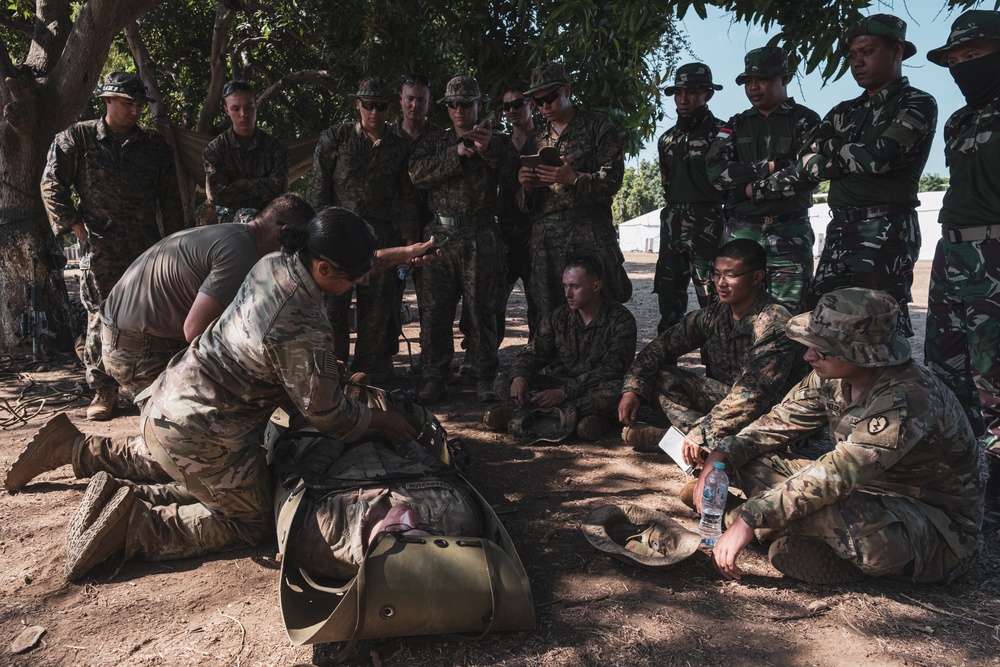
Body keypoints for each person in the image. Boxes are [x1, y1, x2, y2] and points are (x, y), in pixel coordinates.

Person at [7, 208, 419, 582]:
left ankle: (75, 448)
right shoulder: (301, 322)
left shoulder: (274, 264)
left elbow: (273, 352)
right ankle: (137, 527)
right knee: (250, 519)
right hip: (205, 433)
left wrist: (311, 369)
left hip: (169, 402)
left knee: (164, 457)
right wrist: (384, 421)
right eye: (355, 275)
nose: (361, 281)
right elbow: (330, 415)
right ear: (325, 268)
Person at [704, 288, 985, 585]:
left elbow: (841, 470)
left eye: (823, 347)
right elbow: (776, 424)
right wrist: (721, 455)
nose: (808, 354)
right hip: (859, 492)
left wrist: (751, 516)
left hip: (930, 525)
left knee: (870, 537)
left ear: (862, 353)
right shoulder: (832, 374)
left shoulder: (908, 397)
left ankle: (784, 534)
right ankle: (794, 532)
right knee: (750, 461)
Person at [767, 14, 937, 336]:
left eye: (867, 51)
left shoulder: (917, 103)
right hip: (841, 228)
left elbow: (879, 159)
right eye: (851, 55)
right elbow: (805, 161)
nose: (857, 62)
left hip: (886, 231)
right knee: (824, 325)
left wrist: (832, 147)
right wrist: (850, 152)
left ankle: (888, 389)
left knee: (877, 328)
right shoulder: (843, 111)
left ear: (897, 50)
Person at [40, 71, 184, 422]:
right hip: (101, 247)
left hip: (146, 248)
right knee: (101, 316)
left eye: (139, 104)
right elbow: (51, 185)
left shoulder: (154, 146)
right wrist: (76, 226)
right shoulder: (80, 138)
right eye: (128, 103)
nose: (135, 110)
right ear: (107, 101)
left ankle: (148, 387)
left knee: (151, 316)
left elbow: (171, 200)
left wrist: (176, 242)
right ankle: (104, 389)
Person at [100, 193, 313, 401]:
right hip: (138, 354)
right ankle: (86, 439)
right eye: (298, 244)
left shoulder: (235, 234)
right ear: (285, 232)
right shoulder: (241, 254)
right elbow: (195, 331)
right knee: (210, 420)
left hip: (126, 338)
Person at [923, 9, 1000, 530]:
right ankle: (960, 476)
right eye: (955, 59)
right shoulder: (959, 120)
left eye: (974, 56)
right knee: (945, 367)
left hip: (996, 251)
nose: (962, 66)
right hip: (952, 250)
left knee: (993, 371)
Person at [618, 240, 798, 463]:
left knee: (753, 440)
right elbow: (660, 347)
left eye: (730, 275)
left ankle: (687, 443)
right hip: (725, 406)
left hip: (769, 413)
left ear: (757, 277)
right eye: (716, 274)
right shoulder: (714, 315)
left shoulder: (774, 322)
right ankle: (695, 444)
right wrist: (631, 389)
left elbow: (754, 395)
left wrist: (705, 431)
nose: (720, 283)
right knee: (659, 376)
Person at [409, 75, 512, 404]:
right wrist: (457, 154)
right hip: (440, 236)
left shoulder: (495, 140)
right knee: (434, 311)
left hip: (480, 235)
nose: (458, 110)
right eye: (452, 104)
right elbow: (417, 174)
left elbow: (509, 165)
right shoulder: (434, 141)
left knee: (482, 310)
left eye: (465, 104)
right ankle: (434, 376)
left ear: (478, 105)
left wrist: (486, 147)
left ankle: (484, 376)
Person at [309, 77, 420, 380]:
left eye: (381, 106)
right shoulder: (337, 138)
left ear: (390, 107)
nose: (374, 112)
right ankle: (333, 375)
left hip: (380, 240)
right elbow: (318, 190)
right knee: (334, 309)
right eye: (368, 105)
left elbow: (408, 196)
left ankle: (367, 377)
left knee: (377, 312)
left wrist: (409, 243)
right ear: (357, 103)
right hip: (338, 239)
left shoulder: (399, 147)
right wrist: (317, 240)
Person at [706, 47, 821, 313]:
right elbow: (715, 171)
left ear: (785, 78)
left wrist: (749, 190)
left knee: (789, 314)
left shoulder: (805, 120)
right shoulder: (735, 124)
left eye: (763, 80)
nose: (754, 87)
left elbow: (808, 172)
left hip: (788, 232)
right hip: (741, 230)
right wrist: (768, 167)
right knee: (734, 312)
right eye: (748, 81)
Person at [517, 61, 631, 323]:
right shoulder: (534, 140)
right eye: (538, 101)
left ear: (566, 90)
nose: (545, 106)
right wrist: (526, 188)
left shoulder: (598, 127)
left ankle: (600, 364)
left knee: (600, 309)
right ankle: (552, 364)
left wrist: (574, 179)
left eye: (550, 97)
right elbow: (525, 206)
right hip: (546, 241)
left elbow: (613, 179)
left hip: (590, 234)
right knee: (547, 312)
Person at [484, 255, 637, 441]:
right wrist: (520, 375)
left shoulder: (621, 320)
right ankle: (577, 420)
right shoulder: (558, 317)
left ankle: (523, 413)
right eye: (565, 286)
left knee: (617, 392)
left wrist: (564, 393)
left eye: (575, 287)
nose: (567, 294)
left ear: (596, 286)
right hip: (558, 384)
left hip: (594, 387)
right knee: (503, 380)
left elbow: (612, 370)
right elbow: (533, 353)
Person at [654, 63, 726, 334]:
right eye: (678, 93)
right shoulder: (666, 139)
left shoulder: (724, 133)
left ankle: (716, 369)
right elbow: (666, 183)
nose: (683, 100)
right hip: (672, 222)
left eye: (693, 92)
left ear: (708, 94)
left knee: (713, 304)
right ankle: (663, 368)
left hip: (708, 224)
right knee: (668, 299)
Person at [203, 80, 289, 223]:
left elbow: (278, 188)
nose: (244, 114)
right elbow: (217, 195)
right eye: (236, 109)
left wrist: (236, 185)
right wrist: (261, 185)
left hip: (268, 218)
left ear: (256, 106)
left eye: (248, 107)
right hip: (227, 221)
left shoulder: (276, 148)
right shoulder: (214, 150)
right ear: (227, 111)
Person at [494, 78, 538, 341]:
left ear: (531, 104)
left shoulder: (547, 141)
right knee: (496, 299)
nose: (512, 110)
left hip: (537, 232)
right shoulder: (499, 145)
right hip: (505, 233)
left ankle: (538, 355)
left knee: (540, 301)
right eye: (507, 106)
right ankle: (491, 358)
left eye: (518, 103)